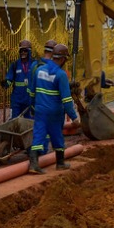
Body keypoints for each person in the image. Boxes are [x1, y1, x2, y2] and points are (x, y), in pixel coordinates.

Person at [28, 44, 79, 174]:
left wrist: (33, 106)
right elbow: (67, 100)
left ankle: (33, 165)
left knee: (38, 135)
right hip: (55, 113)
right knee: (57, 136)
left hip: (40, 110)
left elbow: (32, 92)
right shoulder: (61, 75)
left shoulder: (39, 71)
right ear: (62, 59)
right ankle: (60, 163)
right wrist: (74, 117)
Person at [2, 39, 35, 117]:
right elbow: (10, 78)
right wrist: (6, 83)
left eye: (25, 51)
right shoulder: (15, 65)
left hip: (29, 99)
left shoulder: (34, 64)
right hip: (17, 99)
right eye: (21, 51)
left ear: (29, 51)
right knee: (15, 121)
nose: (23, 53)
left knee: (29, 123)